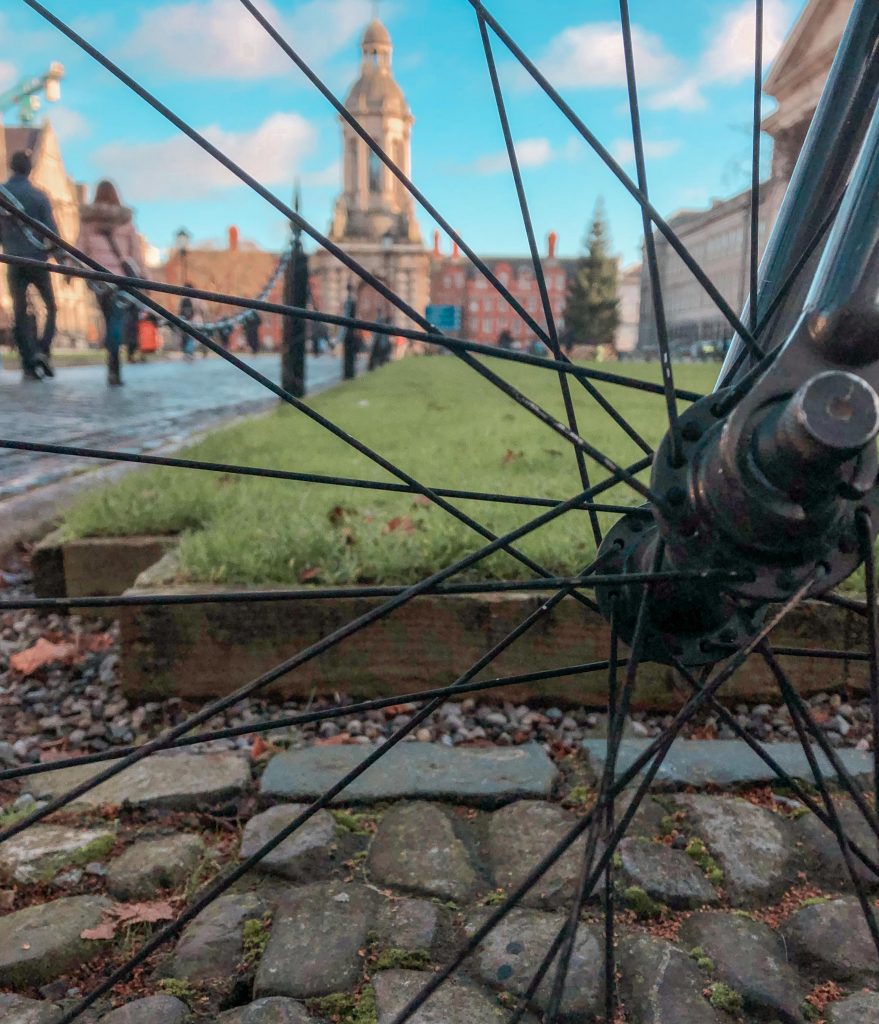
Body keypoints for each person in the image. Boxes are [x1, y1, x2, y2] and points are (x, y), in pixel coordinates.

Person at [77, 180, 143, 386]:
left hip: (99, 278)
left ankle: (112, 361)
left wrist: (72, 270)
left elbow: (80, 248)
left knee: (109, 319)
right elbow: (135, 253)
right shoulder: (125, 220)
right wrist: (144, 277)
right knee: (116, 320)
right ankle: (114, 365)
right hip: (120, 277)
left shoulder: (88, 221)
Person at [0, 151, 59, 381]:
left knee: (19, 311)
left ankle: (28, 360)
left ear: (11, 167)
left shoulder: (3, 193)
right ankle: (43, 349)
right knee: (51, 307)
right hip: (37, 259)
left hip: (13, 259)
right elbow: (51, 232)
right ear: (30, 169)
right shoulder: (39, 196)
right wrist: (59, 257)